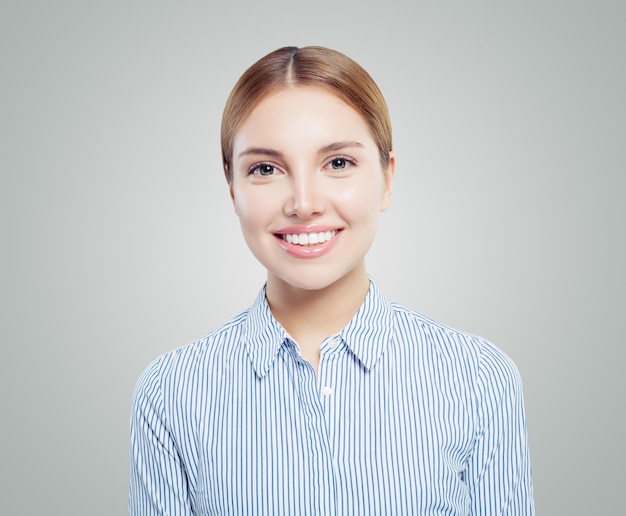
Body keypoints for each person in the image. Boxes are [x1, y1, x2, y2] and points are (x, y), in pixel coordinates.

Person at [129, 46, 534, 514]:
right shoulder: (169, 393)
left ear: (386, 179)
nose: (304, 203)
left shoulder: (480, 380)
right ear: (232, 189)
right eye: (265, 169)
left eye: (338, 163)